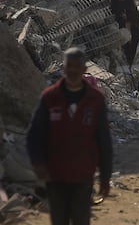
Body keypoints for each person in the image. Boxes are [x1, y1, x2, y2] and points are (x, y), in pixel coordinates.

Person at [26, 47, 113, 225]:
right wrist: (39, 164)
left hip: (83, 174)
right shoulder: (50, 97)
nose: (73, 70)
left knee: (81, 220)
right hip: (55, 175)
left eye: (77, 66)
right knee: (59, 220)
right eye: (69, 66)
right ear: (64, 68)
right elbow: (35, 134)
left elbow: (104, 140)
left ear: (84, 69)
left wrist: (105, 177)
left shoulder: (95, 99)